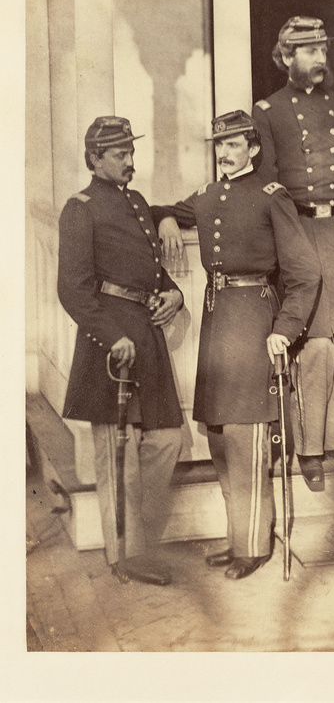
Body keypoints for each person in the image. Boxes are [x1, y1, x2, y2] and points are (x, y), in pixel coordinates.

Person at [154, 111, 320, 579]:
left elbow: (306, 273)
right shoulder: (207, 196)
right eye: (218, 145)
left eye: (233, 144)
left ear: (253, 148)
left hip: (253, 321)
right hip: (216, 321)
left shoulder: (273, 198)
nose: (224, 152)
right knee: (221, 439)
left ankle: (254, 545)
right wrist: (168, 218)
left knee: (248, 438)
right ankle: (236, 539)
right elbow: (153, 210)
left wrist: (285, 329)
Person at [252, 16, 334, 489]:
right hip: (300, 233)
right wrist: (284, 238)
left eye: (322, 50)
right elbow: (265, 182)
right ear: (286, 57)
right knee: (315, 345)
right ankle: (309, 449)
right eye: (308, 51)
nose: (319, 59)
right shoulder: (268, 111)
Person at [57, 116, 184, 586]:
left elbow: (150, 268)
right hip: (112, 345)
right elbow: (73, 289)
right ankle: (125, 555)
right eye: (121, 155)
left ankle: (141, 539)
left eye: (132, 152)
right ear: (95, 158)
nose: (131, 162)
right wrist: (113, 337)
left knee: (167, 438)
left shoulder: (136, 201)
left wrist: (174, 293)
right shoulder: (80, 208)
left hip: (146, 337)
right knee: (116, 451)